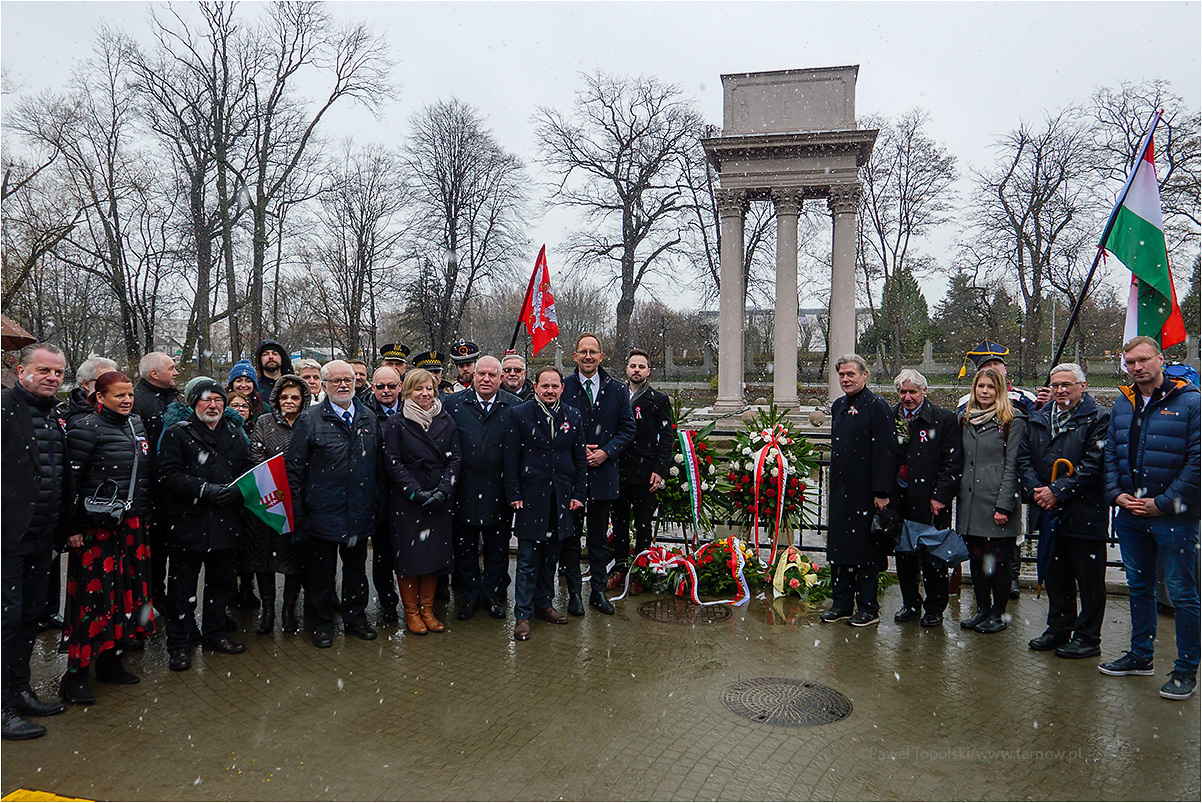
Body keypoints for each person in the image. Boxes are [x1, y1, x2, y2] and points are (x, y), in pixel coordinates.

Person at [1099, 336, 1200, 700]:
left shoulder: (1190, 402)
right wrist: (1116, 494)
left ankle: (1185, 670)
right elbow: (1110, 453)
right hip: (1130, 514)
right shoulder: (1123, 402)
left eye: (1143, 359)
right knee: (1140, 588)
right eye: (1130, 362)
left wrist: (1164, 502)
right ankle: (1141, 655)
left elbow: (1198, 461)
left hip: (1174, 517)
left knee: (1183, 594)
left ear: (1160, 359)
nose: (1137, 367)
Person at [60, 370, 154, 704]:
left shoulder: (136, 424)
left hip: (131, 526)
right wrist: (71, 528)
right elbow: (70, 482)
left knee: (124, 596)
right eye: (119, 395)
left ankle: (111, 662)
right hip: (96, 529)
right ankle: (75, 674)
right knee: (93, 600)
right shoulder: (84, 428)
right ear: (100, 397)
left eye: (130, 394)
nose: (127, 400)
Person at [286, 360, 382, 648]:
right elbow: (295, 470)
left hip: (359, 510)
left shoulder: (367, 417)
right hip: (322, 513)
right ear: (325, 385)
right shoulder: (310, 420)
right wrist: (299, 512)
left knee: (356, 572)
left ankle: (356, 620)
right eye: (336, 381)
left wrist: (376, 503)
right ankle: (321, 625)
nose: (343, 385)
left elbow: (377, 466)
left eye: (347, 380)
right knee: (321, 575)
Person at [2, 343, 71, 740]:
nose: (52, 378)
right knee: (6, 621)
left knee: (29, 616)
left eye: (58, 372)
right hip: (8, 537)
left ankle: (19, 690)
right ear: (20, 370)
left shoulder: (53, 415)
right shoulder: (4, 410)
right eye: (44, 370)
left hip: (42, 536)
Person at [157, 378, 251, 671]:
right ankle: (179, 645)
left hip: (225, 523)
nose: (213, 405)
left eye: (218, 400)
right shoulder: (177, 434)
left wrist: (236, 491)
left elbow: (247, 469)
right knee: (181, 589)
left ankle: (215, 634)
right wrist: (204, 489)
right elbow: (168, 475)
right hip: (188, 524)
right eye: (206, 399)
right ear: (193, 403)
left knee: (221, 586)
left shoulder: (234, 434)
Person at [1018, 363, 1110, 658]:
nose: (1060, 390)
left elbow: (1094, 464)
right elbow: (1024, 458)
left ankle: (1088, 637)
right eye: (1055, 385)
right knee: (1056, 574)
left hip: (1085, 512)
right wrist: (1037, 490)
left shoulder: (1099, 418)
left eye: (1066, 384)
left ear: (1082, 386)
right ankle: (1058, 627)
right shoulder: (1038, 417)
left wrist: (1057, 492)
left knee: (1089, 579)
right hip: (1048, 512)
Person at [957, 340, 1046, 599]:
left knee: (1009, 543)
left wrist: (1044, 406)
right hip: (977, 488)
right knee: (978, 551)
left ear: (1005, 369)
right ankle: (984, 601)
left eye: (997, 364)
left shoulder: (1024, 398)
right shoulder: (967, 403)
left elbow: (1034, 433)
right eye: (988, 365)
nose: (994, 368)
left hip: (1009, 481)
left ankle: (1012, 580)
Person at [504, 367, 587, 641]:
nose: (550, 390)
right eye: (545, 386)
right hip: (531, 497)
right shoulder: (520, 414)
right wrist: (514, 492)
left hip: (561, 498)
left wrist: (578, 493)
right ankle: (522, 615)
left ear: (562, 387)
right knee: (528, 559)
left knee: (551, 557)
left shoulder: (573, 415)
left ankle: (544, 604)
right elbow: (511, 458)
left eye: (554, 386)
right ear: (536, 387)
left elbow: (579, 459)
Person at [559, 333, 635, 616]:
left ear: (601, 356)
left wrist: (606, 451)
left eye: (593, 352)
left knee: (599, 538)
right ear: (575, 356)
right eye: (583, 352)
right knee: (570, 538)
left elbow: (628, 428)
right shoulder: (564, 387)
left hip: (604, 473)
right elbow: (554, 425)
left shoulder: (616, 389)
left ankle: (598, 592)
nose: (588, 356)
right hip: (572, 476)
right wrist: (578, 450)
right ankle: (574, 593)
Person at [383, 368, 461, 635]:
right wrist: (415, 492)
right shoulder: (397, 422)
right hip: (408, 501)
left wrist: (443, 490)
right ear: (407, 392)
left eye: (429, 388)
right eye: (418, 389)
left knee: (433, 556)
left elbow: (455, 459)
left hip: (438, 498)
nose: (425, 394)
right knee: (409, 557)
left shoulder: (446, 419)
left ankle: (427, 609)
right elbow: (393, 462)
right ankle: (411, 611)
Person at [443, 356, 521, 620]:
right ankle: (470, 595)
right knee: (464, 549)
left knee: (497, 548)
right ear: (473, 376)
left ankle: (491, 595)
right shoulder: (453, 404)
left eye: (492, 375)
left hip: (499, 489)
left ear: (501, 378)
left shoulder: (514, 406)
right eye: (481, 374)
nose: (486, 379)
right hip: (463, 489)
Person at [821, 355, 896, 627]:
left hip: (866, 493)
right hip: (841, 490)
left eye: (851, 374)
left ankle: (868, 607)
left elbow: (886, 451)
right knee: (840, 549)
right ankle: (841, 603)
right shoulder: (839, 405)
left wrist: (881, 491)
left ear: (864, 375)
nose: (846, 379)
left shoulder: (877, 406)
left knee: (865, 551)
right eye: (842, 375)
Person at [889, 369, 962, 627]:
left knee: (933, 556)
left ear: (924, 391)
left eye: (913, 392)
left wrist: (941, 495)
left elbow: (953, 461)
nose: (907, 397)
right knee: (904, 554)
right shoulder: (891, 417)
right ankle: (910, 603)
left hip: (931, 500)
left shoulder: (943, 419)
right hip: (900, 498)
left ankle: (934, 608)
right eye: (903, 392)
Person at [957, 366, 1026, 634]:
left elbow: (1012, 466)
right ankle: (982, 610)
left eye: (991, 387)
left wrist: (1004, 505)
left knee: (998, 563)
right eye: (981, 386)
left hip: (997, 502)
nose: (985, 392)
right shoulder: (965, 418)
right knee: (976, 561)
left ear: (1000, 391)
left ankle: (998, 614)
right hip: (971, 503)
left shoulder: (1011, 421)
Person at [247, 375, 311, 635]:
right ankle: (268, 610)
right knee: (264, 560)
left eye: (295, 397)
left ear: (303, 400)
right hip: (269, 498)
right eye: (284, 397)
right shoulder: (264, 422)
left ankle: (288, 610)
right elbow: (256, 455)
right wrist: (276, 478)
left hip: (299, 500)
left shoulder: (310, 422)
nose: (289, 401)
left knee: (294, 559)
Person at [607, 349, 674, 592]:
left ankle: (640, 571)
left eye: (641, 366)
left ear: (648, 371)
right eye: (633, 365)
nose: (636, 370)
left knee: (643, 525)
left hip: (645, 473)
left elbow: (667, 438)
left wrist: (660, 470)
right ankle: (620, 568)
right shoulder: (616, 396)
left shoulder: (659, 400)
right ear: (627, 369)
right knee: (619, 523)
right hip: (619, 470)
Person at [131, 352, 179, 633]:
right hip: (151, 490)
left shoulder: (173, 397)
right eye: (171, 368)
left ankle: (165, 596)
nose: (176, 372)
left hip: (171, 487)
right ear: (154, 374)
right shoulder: (138, 401)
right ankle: (152, 598)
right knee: (155, 552)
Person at [363, 367, 403, 622]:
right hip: (378, 496)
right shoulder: (364, 415)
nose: (386, 391)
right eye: (380, 387)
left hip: (407, 495)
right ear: (372, 387)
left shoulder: (411, 410)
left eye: (391, 386)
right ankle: (388, 603)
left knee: (409, 552)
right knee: (382, 555)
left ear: (400, 386)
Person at [226, 360, 265, 610]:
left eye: (244, 406)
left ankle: (247, 588)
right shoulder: (224, 428)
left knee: (250, 547)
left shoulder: (259, 423)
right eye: (235, 406)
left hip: (252, 495)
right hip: (230, 495)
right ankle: (232, 592)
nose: (241, 409)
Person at [63, 356, 119, 426]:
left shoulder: (123, 411)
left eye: (116, 380)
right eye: (106, 380)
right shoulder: (80, 422)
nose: (114, 385)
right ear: (86, 384)